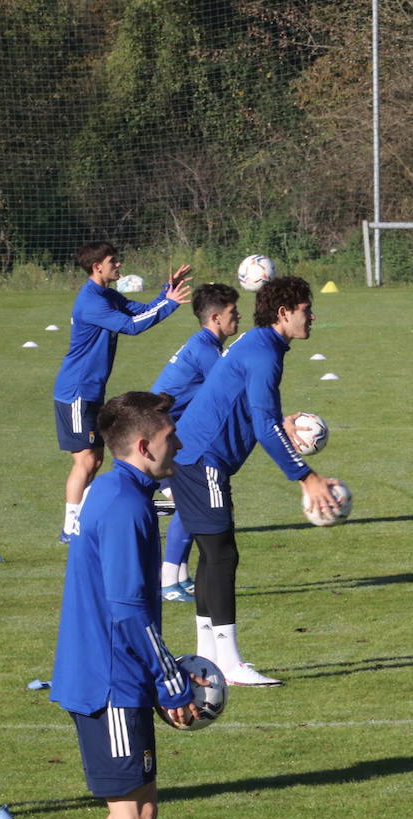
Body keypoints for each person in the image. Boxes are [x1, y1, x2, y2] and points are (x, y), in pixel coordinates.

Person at [50, 391, 205, 819]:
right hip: (110, 681)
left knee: (132, 812)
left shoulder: (116, 487)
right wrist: (172, 681)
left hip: (106, 672)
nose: (177, 444)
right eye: (168, 437)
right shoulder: (125, 505)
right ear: (143, 445)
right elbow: (128, 611)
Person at [169, 276, 340, 687]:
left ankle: (208, 656)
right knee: (222, 555)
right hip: (202, 459)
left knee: (213, 555)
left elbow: (257, 410)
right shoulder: (264, 353)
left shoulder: (261, 343)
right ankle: (228, 663)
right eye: (305, 309)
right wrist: (306, 477)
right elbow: (263, 427)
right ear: (284, 313)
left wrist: (282, 423)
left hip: (193, 455)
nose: (311, 316)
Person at [52, 242, 192, 544]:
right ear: (96, 267)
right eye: (113, 261)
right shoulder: (91, 301)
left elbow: (139, 311)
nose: (119, 264)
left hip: (90, 391)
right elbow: (131, 326)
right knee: (86, 460)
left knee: (96, 460)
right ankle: (70, 528)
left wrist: (166, 293)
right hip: (75, 392)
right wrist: (169, 305)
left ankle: (78, 523)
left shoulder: (106, 295)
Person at [149, 283, 242, 604]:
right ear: (215, 317)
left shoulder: (206, 346)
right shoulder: (206, 351)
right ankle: (166, 582)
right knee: (196, 503)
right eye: (233, 312)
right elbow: (233, 392)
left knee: (194, 502)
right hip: (156, 439)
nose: (239, 316)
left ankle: (179, 577)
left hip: (166, 435)